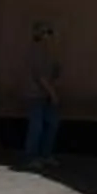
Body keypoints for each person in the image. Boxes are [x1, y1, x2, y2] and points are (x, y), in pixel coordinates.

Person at [24, 21, 63, 169]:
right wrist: (53, 94)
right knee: (37, 126)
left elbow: (54, 72)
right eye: (46, 32)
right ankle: (31, 157)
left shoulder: (49, 52)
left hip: (46, 94)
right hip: (36, 94)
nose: (48, 35)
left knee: (52, 124)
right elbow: (40, 77)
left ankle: (45, 155)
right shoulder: (36, 51)